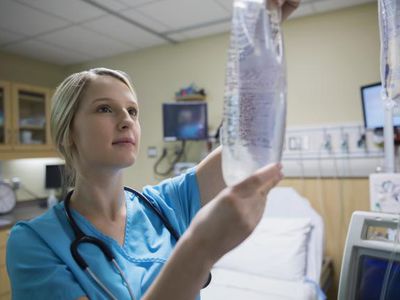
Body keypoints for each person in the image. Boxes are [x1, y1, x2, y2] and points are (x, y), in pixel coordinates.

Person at [6, 1, 299, 299]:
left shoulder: (165, 206)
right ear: (69, 132)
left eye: (132, 111)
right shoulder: (34, 243)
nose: (126, 121)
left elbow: (245, 141)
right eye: (105, 108)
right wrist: (199, 249)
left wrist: (259, 32)